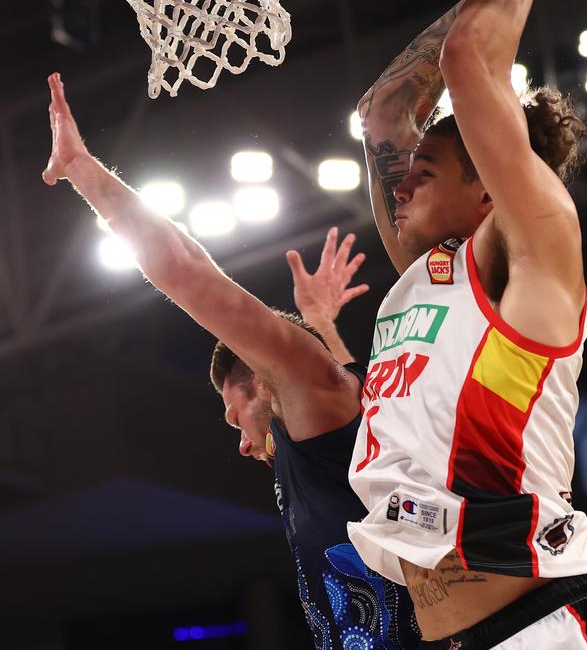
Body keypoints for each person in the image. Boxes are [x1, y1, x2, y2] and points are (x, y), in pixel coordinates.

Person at [346, 0, 587, 649]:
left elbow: (469, 60)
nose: (401, 184)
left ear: (491, 188)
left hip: (546, 626)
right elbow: (380, 114)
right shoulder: (428, 275)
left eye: (428, 168)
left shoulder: (533, 248)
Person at [42, 77, 421, 650]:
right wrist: (320, 323)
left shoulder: (316, 402)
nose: (242, 444)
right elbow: (355, 389)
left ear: (264, 382)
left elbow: (188, 270)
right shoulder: (335, 422)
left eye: (233, 415)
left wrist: (82, 170)